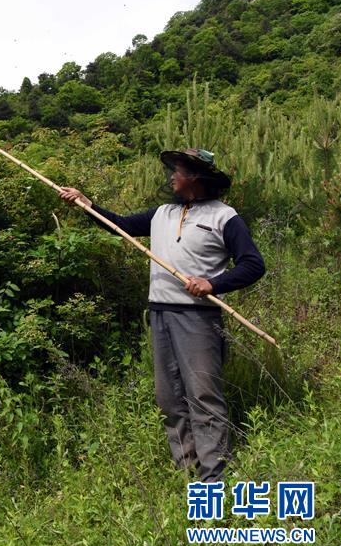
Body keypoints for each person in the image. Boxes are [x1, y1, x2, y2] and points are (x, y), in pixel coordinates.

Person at [58, 149, 265, 482]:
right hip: (160, 314)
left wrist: (212, 283)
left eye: (177, 171)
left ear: (195, 177)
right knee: (169, 399)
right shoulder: (162, 214)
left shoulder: (224, 217)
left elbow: (253, 264)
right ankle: (187, 472)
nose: (171, 177)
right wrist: (87, 204)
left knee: (203, 397)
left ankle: (213, 479)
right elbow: (120, 226)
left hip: (198, 319)